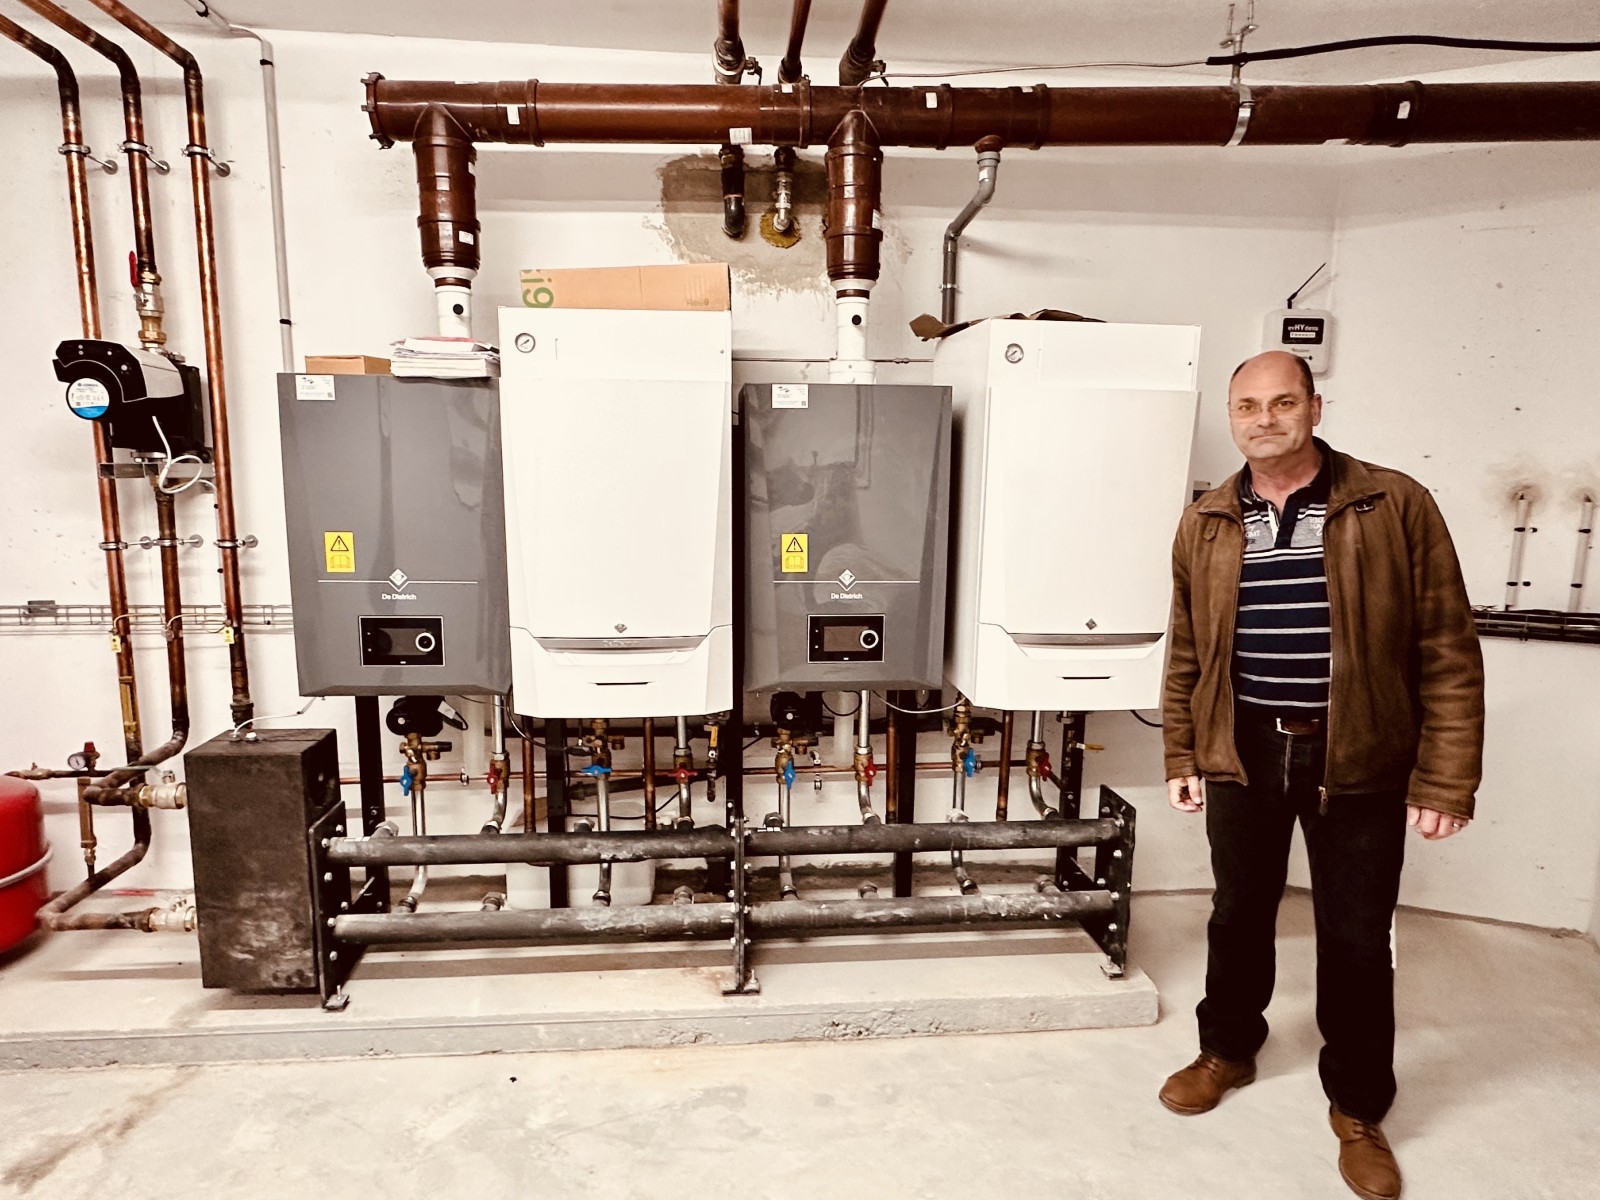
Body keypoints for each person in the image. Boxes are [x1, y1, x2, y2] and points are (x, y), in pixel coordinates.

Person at [1158, 350, 1485, 1200]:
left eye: (1282, 402)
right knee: (1237, 915)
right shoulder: (1207, 519)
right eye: (1247, 406)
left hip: (1361, 752)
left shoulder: (1393, 503)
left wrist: (1444, 780)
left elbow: (1448, 647)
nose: (1264, 419)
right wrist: (1184, 753)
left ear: (1314, 406)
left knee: (1356, 937)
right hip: (1244, 751)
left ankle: (1359, 1107)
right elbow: (1189, 651)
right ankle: (1228, 1049)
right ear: (1231, 417)